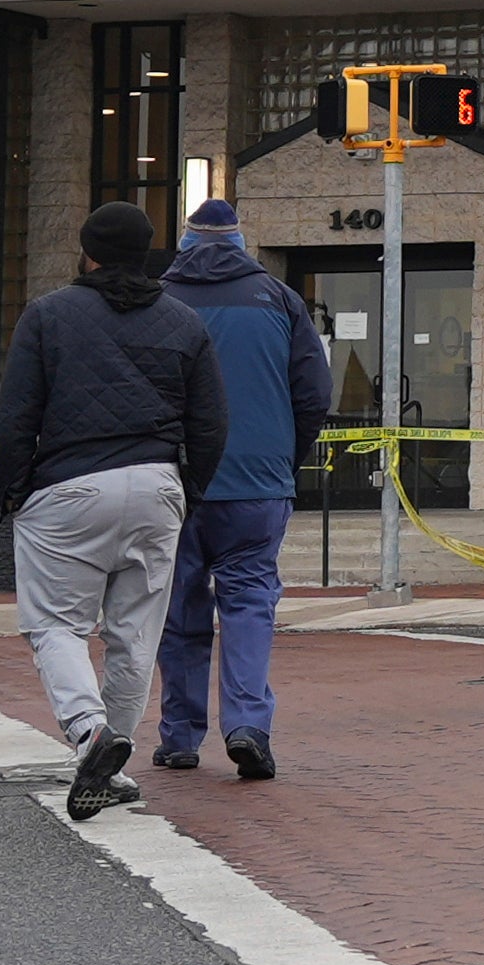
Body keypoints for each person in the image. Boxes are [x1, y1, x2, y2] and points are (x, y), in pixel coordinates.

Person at [0, 199, 232, 820]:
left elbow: (18, 412)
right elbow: (211, 423)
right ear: (147, 253)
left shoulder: (47, 316)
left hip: (69, 489)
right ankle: (111, 768)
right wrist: (188, 491)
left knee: (56, 625)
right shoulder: (184, 322)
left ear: (87, 252)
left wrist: (13, 491)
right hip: (157, 487)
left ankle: (88, 732)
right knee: (135, 637)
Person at [148, 196, 331, 781]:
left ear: (185, 243)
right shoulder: (278, 299)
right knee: (250, 603)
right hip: (257, 483)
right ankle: (248, 724)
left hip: (175, 481)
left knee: (178, 608)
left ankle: (179, 735)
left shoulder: (158, 300)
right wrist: (285, 458)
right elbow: (313, 394)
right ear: (238, 242)